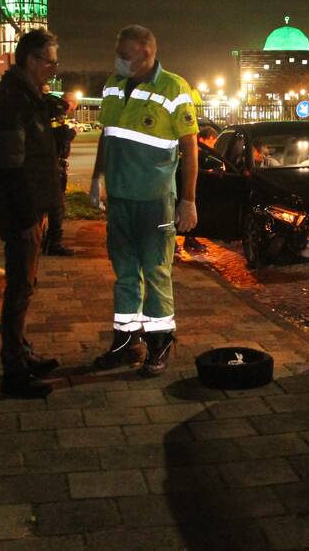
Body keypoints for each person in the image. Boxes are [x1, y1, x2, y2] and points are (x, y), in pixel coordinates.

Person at [90, 25, 199, 377]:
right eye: (117, 54)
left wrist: (189, 200)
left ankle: (159, 344)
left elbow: (190, 148)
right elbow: (107, 136)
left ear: (146, 53)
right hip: (121, 200)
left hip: (156, 202)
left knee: (155, 272)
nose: (119, 61)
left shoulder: (174, 89)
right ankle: (124, 343)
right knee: (124, 273)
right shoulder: (112, 84)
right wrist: (97, 177)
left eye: (125, 55)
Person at [0, 29, 62, 398]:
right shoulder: (13, 102)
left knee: (25, 286)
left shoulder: (28, 99)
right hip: (21, 211)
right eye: (50, 62)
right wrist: (29, 216)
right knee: (19, 288)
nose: (53, 69)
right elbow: (12, 166)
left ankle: (21, 352)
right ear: (31, 60)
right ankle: (13, 371)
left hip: (30, 207)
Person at [43, 90, 77, 256]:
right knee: (56, 206)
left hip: (50, 164)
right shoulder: (55, 112)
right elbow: (58, 138)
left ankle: (45, 239)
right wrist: (71, 133)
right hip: (52, 166)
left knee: (49, 206)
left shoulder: (46, 110)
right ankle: (53, 243)